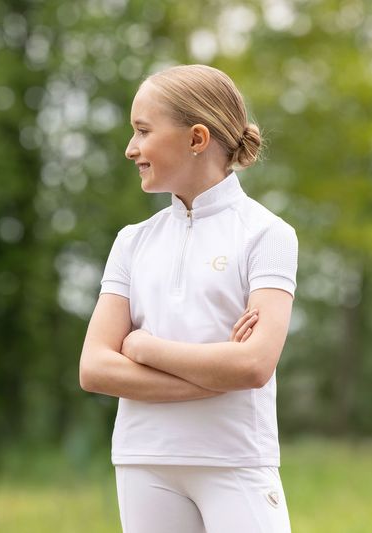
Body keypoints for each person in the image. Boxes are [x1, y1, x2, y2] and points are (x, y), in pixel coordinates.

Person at [79, 64, 298, 533]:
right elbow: (94, 368)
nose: (130, 148)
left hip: (235, 459)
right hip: (144, 462)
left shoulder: (268, 235)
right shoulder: (132, 241)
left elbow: (253, 366)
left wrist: (143, 348)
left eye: (143, 131)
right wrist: (214, 377)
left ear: (197, 138)